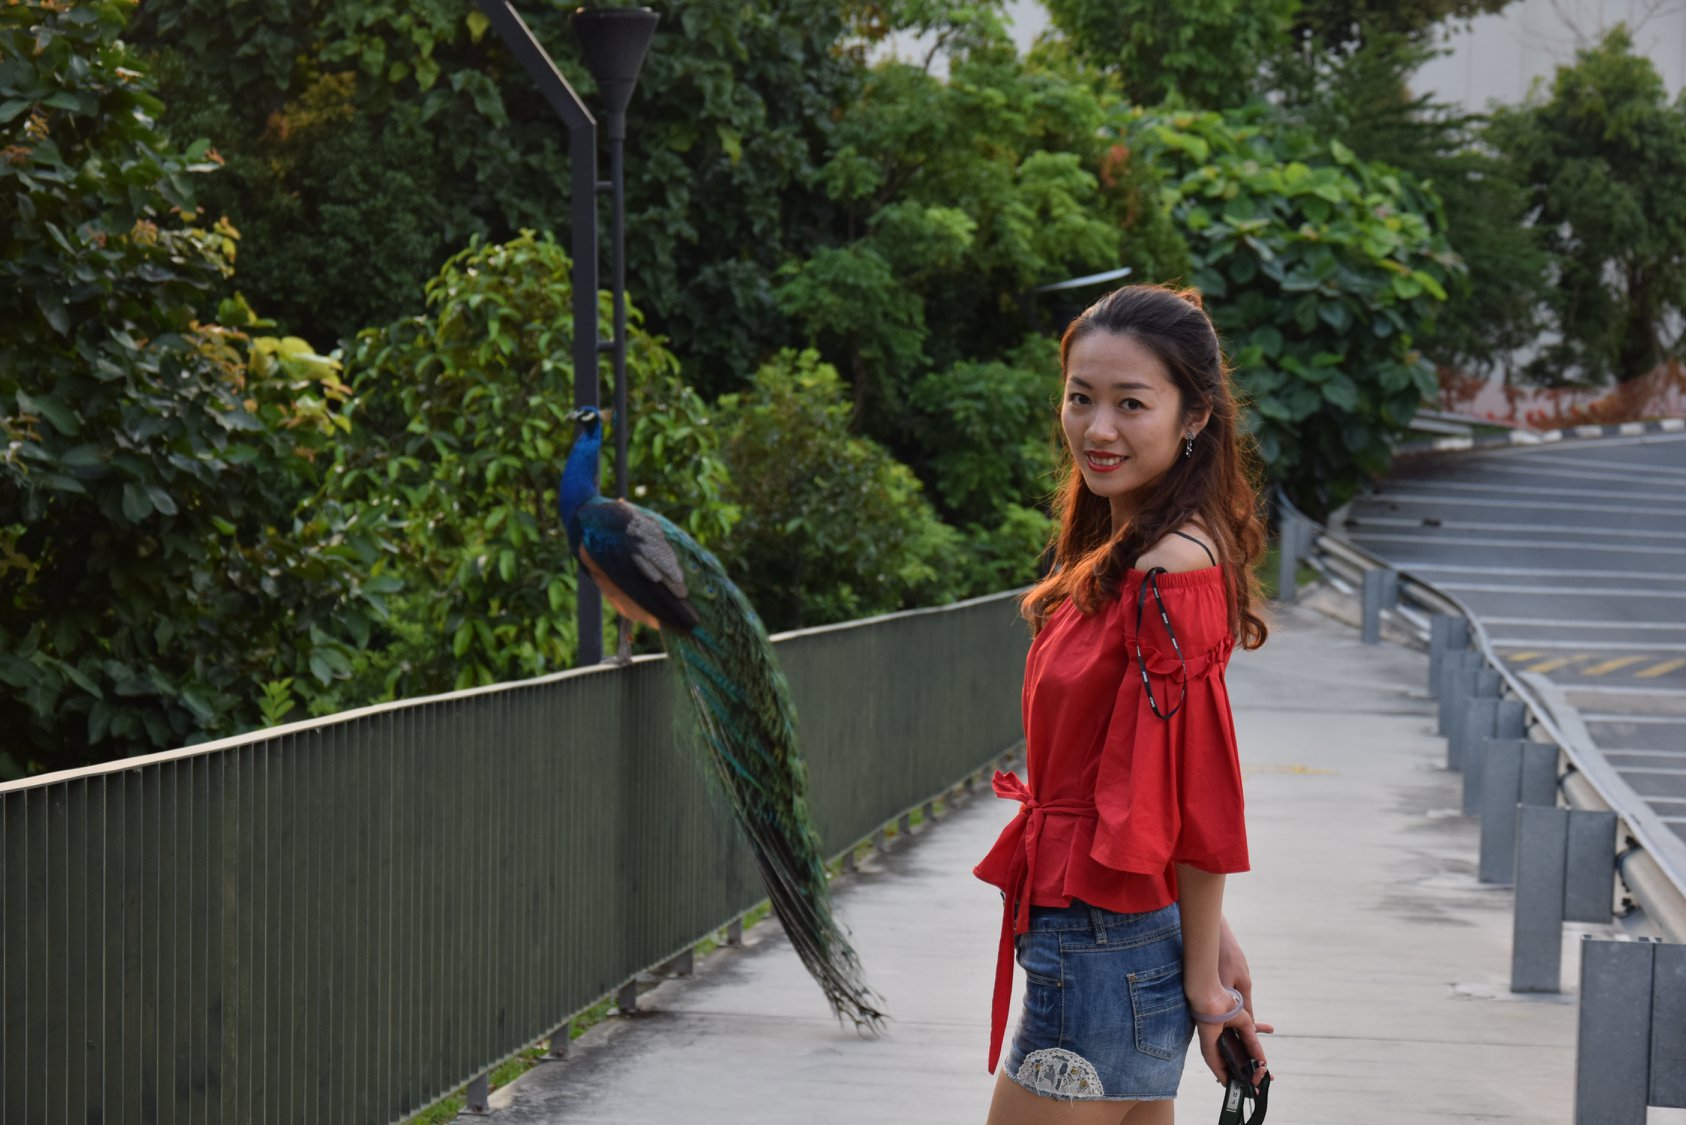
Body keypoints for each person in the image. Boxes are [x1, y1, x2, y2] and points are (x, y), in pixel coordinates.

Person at [973, 284, 1274, 1123]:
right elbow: (1149, 793)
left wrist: (1207, 983)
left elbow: (1200, 794)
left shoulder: (1168, 568)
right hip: (1119, 932)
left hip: (1097, 944)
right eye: (1081, 398)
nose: (1097, 428)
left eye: (1131, 403)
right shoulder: (1136, 547)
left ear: (1194, 415)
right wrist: (1206, 941)